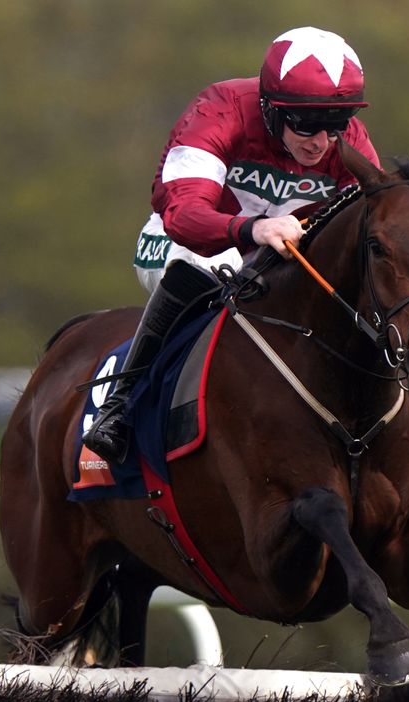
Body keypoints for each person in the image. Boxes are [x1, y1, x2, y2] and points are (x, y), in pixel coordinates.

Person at [80, 26, 384, 464]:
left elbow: (369, 223)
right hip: (180, 241)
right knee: (217, 268)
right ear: (270, 107)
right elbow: (184, 216)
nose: (321, 140)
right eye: (307, 123)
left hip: (272, 257)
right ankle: (118, 407)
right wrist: (254, 230)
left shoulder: (348, 141)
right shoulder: (221, 110)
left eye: (335, 123)